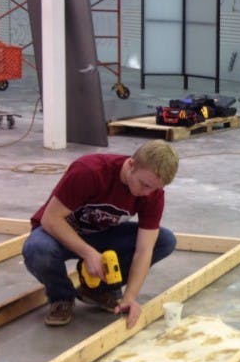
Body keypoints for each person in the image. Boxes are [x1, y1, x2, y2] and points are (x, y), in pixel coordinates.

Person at [23, 140, 179, 329]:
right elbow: (51, 219)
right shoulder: (89, 171)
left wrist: (130, 297)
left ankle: (96, 290)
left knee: (164, 241)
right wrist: (88, 253)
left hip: (103, 234)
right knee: (37, 249)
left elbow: (144, 250)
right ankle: (62, 297)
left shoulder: (153, 194)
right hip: (60, 233)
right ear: (131, 165)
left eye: (154, 188)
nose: (146, 193)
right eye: (144, 184)